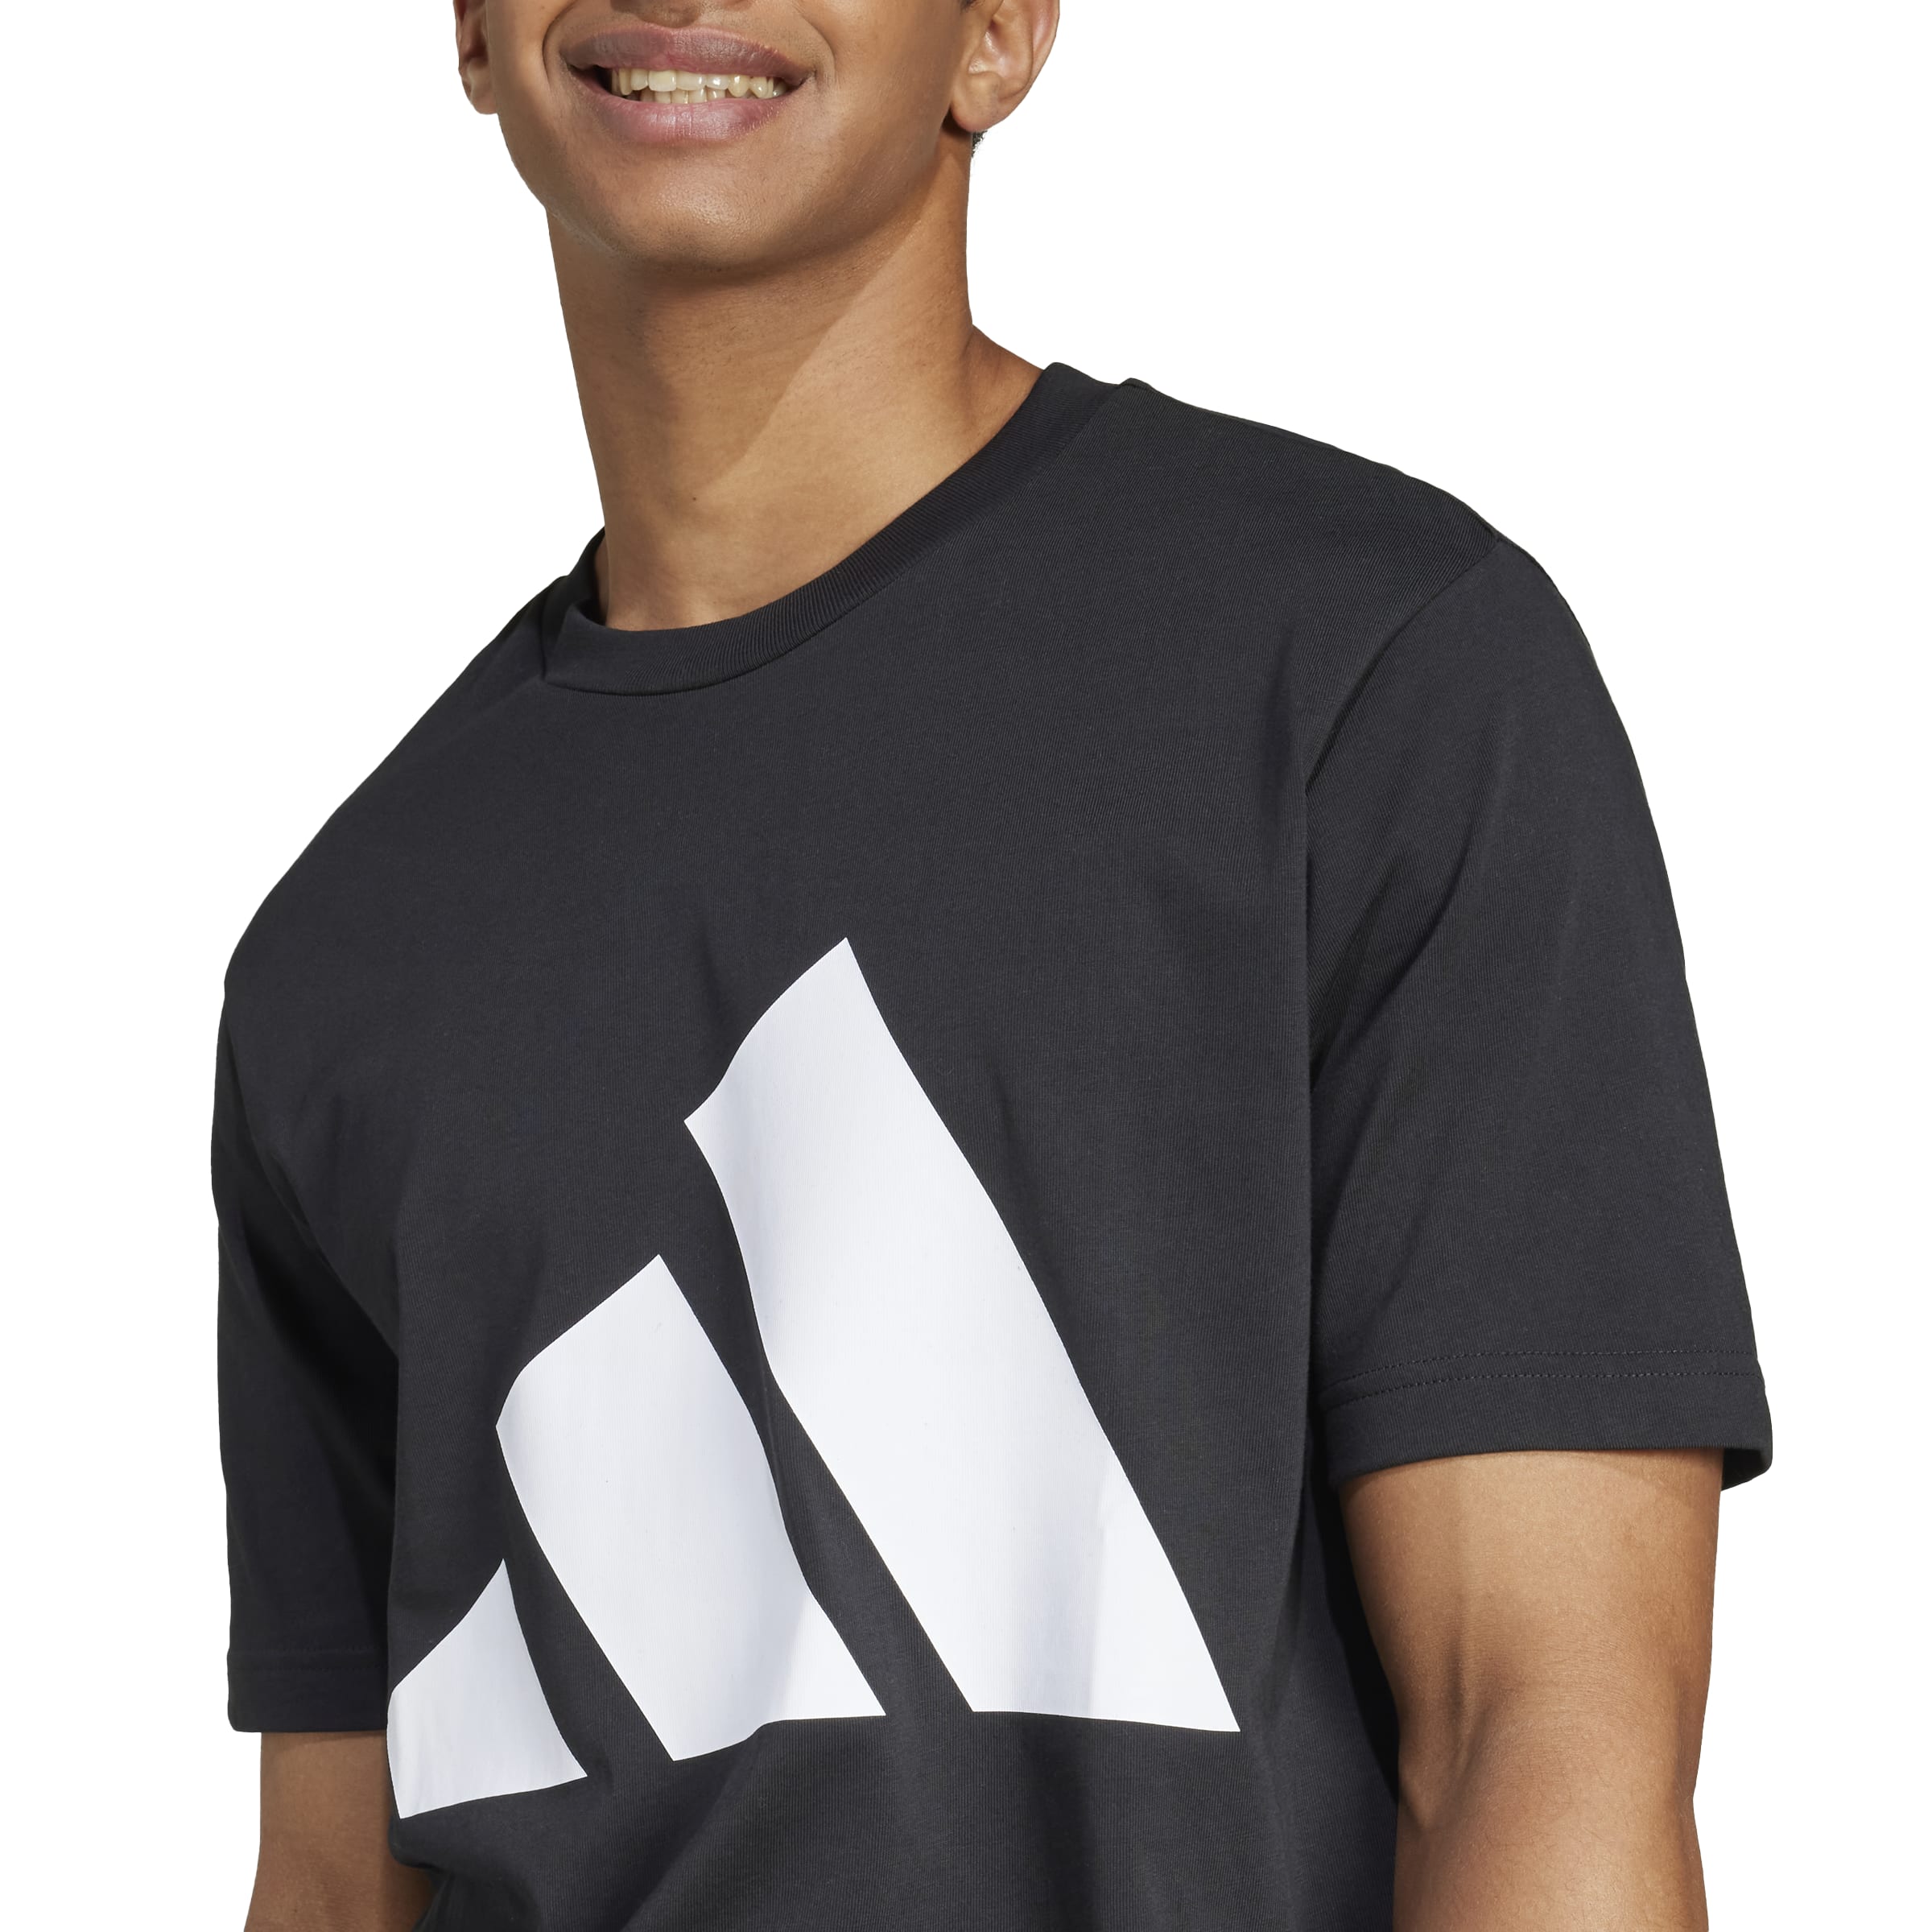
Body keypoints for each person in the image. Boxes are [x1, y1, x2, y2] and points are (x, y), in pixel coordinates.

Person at [213, 2, 1771, 1927]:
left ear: (1000, 39)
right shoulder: (342, 952)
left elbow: (1547, 1731)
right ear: (470, 30)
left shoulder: (1374, 678)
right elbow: (332, 1874)